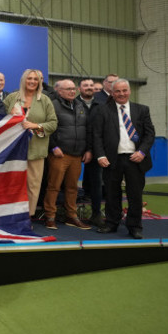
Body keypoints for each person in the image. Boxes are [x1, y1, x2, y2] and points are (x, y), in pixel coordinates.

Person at [94, 79, 155, 239]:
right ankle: (111, 223)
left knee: (135, 195)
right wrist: (100, 155)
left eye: (124, 90)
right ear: (112, 93)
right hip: (111, 159)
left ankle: (134, 226)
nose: (121, 94)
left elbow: (150, 134)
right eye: (117, 91)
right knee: (111, 194)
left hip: (136, 159)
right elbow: (97, 135)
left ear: (129, 91)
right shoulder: (103, 110)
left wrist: (141, 152)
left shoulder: (142, 110)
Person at [4, 69, 58, 218]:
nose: (33, 81)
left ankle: (28, 216)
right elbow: (0, 120)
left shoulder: (45, 100)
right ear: (23, 80)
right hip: (13, 150)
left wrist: (36, 126)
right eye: (29, 79)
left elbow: (53, 123)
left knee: (33, 185)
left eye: (35, 79)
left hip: (36, 149)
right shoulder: (11, 98)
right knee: (12, 184)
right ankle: (10, 215)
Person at [43, 79, 92, 230]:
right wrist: (53, 147)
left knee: (73, 188)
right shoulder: (52, 104)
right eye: (68, 89)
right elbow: (47, 128)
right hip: (59, 154)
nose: (72, 91)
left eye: (73, 88)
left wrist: (88, 149)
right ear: (59, 91)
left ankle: (72, 216)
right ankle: (50, 216)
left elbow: (87, 128)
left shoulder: (80, 105)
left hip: (77, 155)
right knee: (54, 186)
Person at [78, 78, 106, 226]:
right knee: (68, 184)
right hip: (74, 148)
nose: (89, 88)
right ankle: (66, 213)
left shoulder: (102, 105)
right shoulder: (73, 103)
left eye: (91, 85)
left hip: (95, 149)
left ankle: (96, 214)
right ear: (79, 89)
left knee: (97, 183)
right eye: (85, 85)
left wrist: (91, 149)